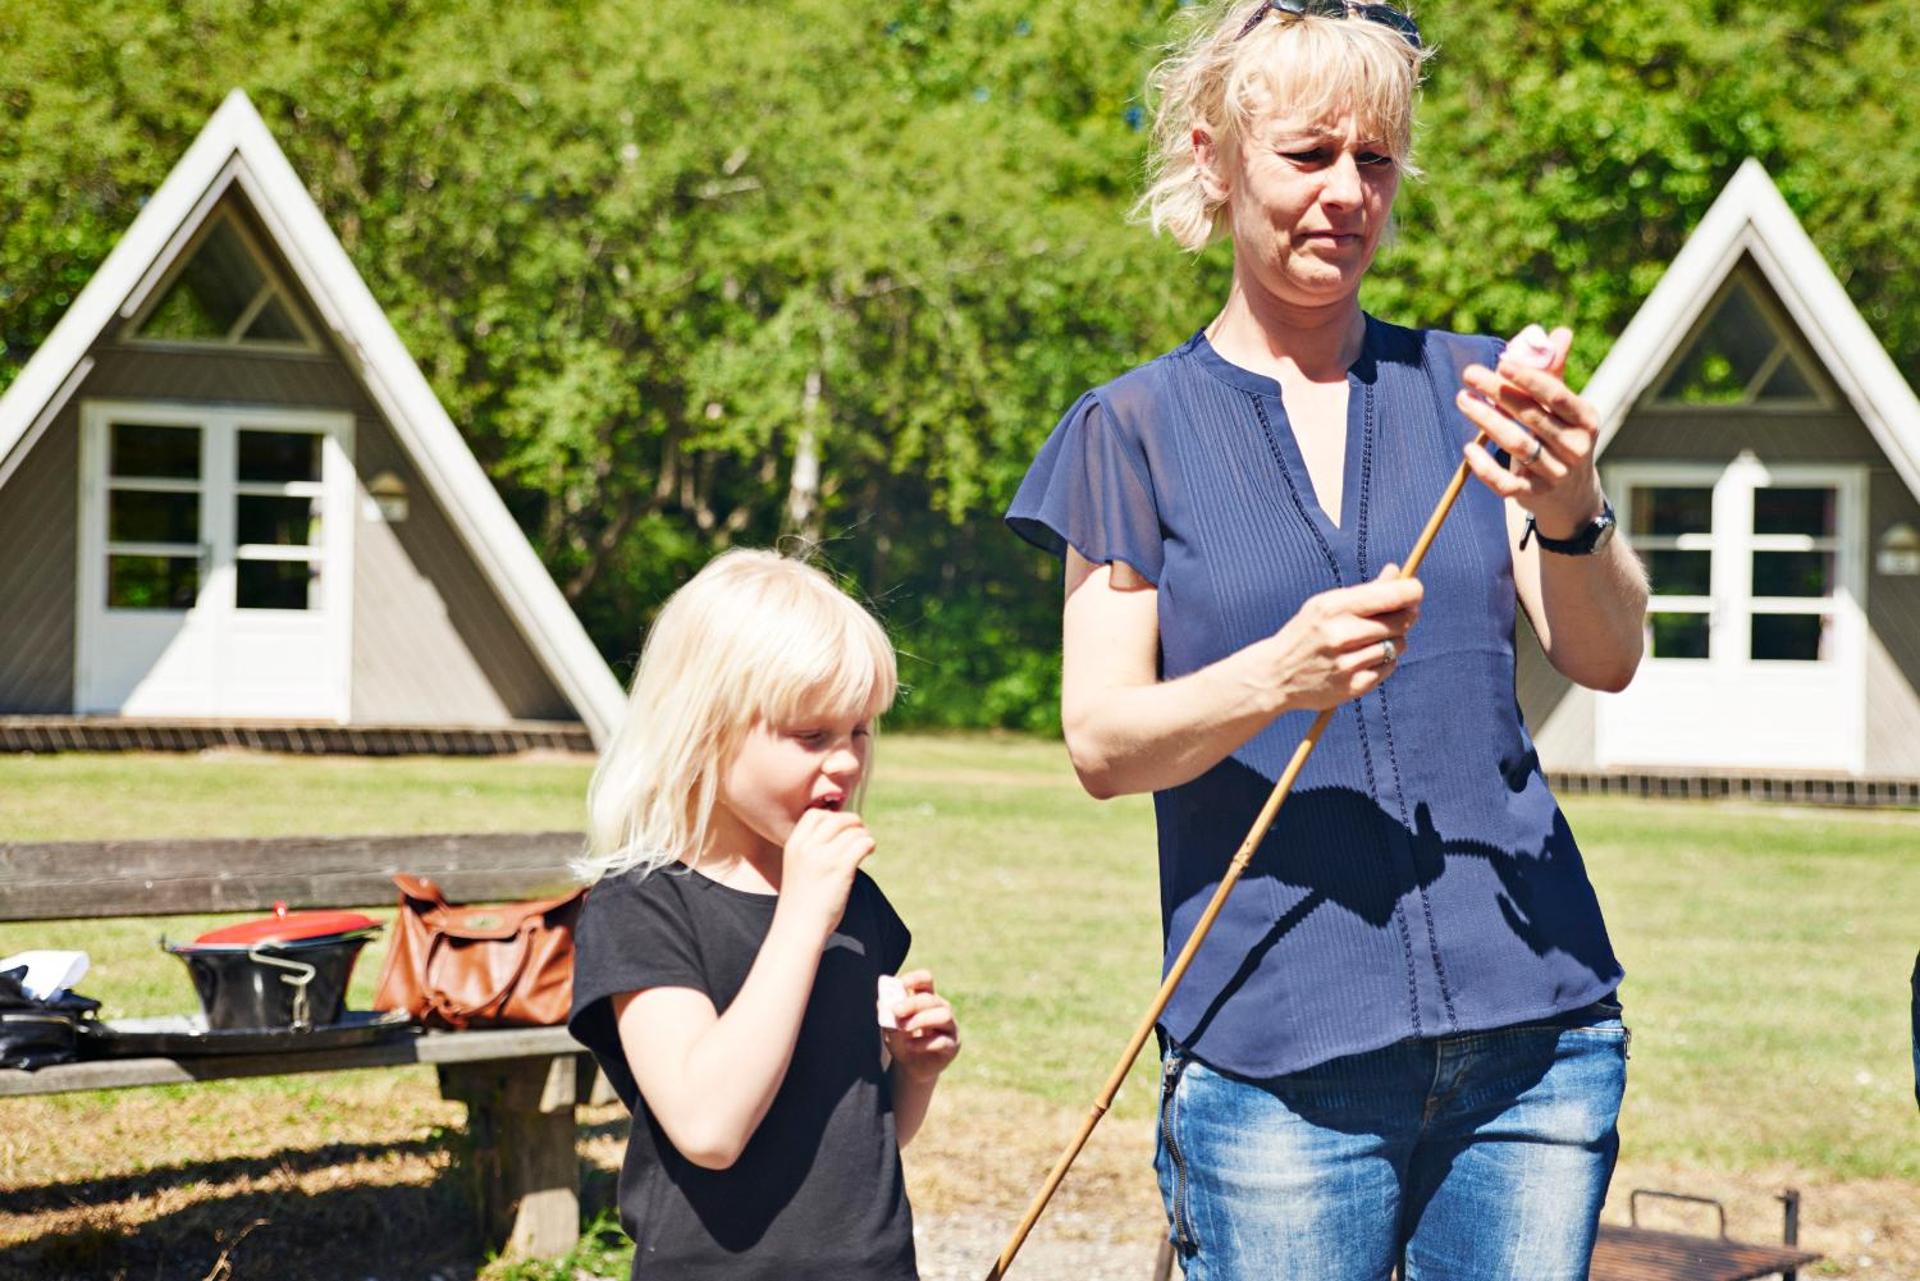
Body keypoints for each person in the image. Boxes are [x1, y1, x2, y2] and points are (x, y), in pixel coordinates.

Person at [1004, 2, 1649, 1277]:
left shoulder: (1473, 392)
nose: (1346, 193)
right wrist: (1271, 679)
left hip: (1537, 1041)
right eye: (1308, 155)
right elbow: (1101, 742)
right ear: (1214, 159)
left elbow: (1609, 653)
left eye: (1376, 160)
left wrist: (1572, 505)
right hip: (1277, 1059)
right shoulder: (1126, 431)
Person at [567, 549, 960, 1280]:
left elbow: (855, 1145)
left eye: (859, 732)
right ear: (705, 730)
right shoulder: (643, 905)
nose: (846, 763)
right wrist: (803, 918)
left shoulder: (852, 897)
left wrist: (913, 1073)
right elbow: (709, 1127)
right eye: (812, 736)